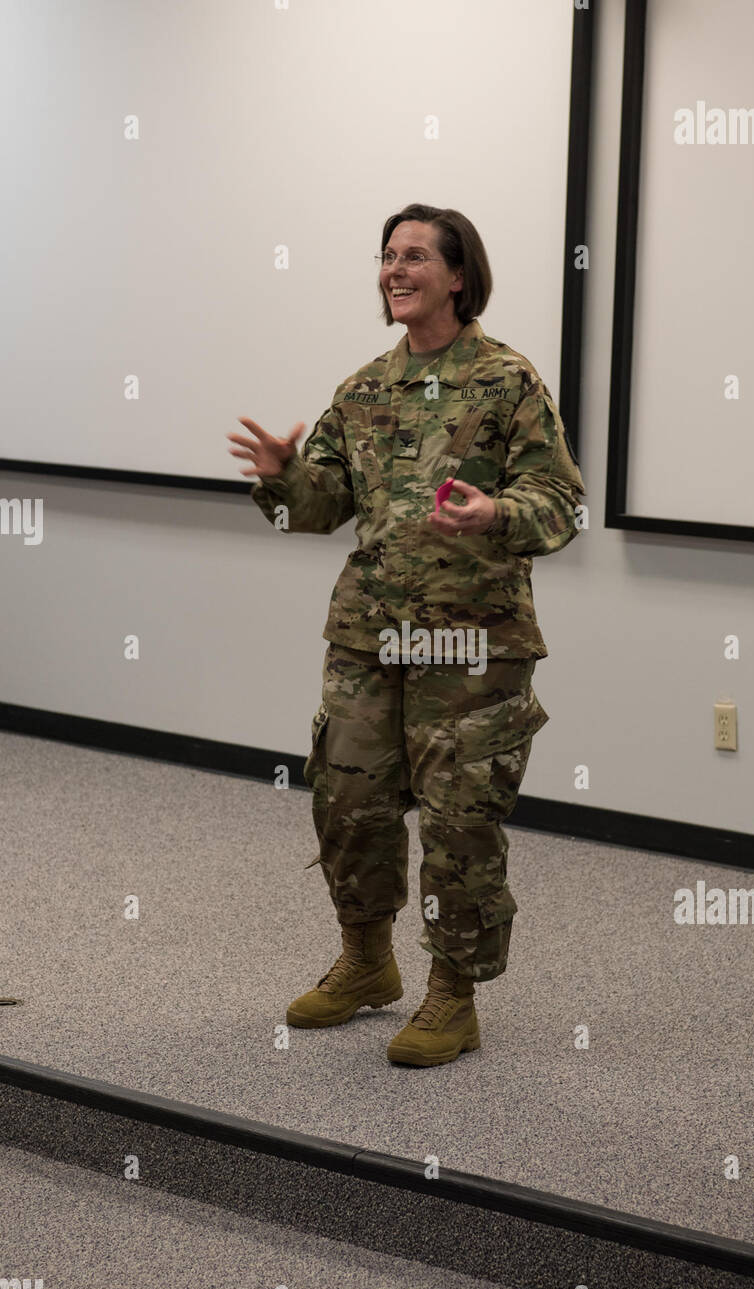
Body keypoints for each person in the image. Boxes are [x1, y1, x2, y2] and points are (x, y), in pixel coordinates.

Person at [228, 203, 585, 1068]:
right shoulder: (363, 389)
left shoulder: (509, 382)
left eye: (415, 256)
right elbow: (320, 511)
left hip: (472, 649)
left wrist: (499, 511)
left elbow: (563, 504)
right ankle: (366, 961)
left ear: (458, 277)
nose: (395, 269)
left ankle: (452, 995)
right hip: (368, 640)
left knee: (462, 825)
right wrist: (285, 480)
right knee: (348, 806)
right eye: (388, 256)